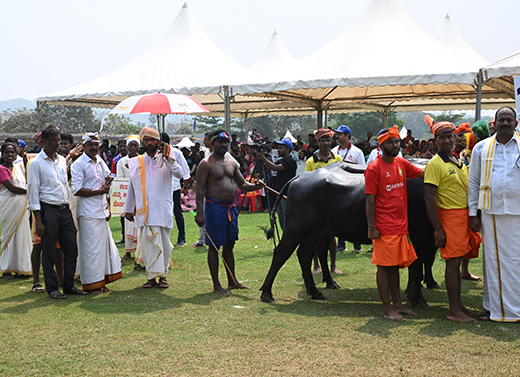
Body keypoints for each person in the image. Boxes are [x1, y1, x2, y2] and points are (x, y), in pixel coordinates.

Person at [423, 119, 481, 323]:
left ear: (456, 137)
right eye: (442, 137)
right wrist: (438, 228)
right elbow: (429, 198)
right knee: (453, 262)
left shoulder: (457, 160)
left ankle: (459, 306)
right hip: (449, 217)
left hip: (462, 217)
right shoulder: (434, 164)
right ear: (435, 141)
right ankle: (454, 310)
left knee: (456, 262)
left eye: (450, 136)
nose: (447, 140)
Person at [364, 125, 423, 321]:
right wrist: (372, 227)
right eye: (390, 142)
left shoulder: (401, 162)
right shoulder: (374, 168)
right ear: (381, 146)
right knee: (383, 267)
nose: (395, 145)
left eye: (397, 141)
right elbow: (370, 200)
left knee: (395, 266)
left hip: (400, 227)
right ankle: (387, 309)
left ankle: (398, 305)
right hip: (384, 227)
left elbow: (422, 173)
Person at [195, 130, 264, 294]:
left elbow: (243, 185)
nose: (224, 145)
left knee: (229, 245)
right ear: (212, 144)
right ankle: (216, 285)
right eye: (220, 142)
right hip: (214, 208)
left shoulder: (232, 164)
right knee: (214, 246)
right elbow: (200, 190)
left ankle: (232, 281)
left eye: (226, 142)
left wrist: (257, 186)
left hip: (230, 208)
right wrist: (200, 213)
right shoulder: (205, 163)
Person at [468, 106, 520, 322]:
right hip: (492, 212)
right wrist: (473, 213)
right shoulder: (481, 148)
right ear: (495, 123)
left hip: (518, 211)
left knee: (516, 261)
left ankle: (515, 309)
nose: (505, 124)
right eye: (502, 120)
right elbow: (473, 182)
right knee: (494, 262)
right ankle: (496, 308)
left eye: (509, 120)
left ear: (516, 124)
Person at [27, 125, 87, 299]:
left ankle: (68, 286)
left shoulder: (61, 160)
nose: (56, 144)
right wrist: (38, 219)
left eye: (58, 140)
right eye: (52, 141)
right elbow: (33, 192)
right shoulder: (36, 164)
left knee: (71, 249)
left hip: (64, 209)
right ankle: (52, 288)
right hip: (48, 210)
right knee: (49, 251)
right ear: (43, 142)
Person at [124, 127, 184, 289]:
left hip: (162, 209)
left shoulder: (168, 159)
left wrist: (168, 158)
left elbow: (181, 174)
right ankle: (151, 277)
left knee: (164, 244)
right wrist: (129, 208)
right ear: (143, 142)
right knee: (148, 245)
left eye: (153, 140)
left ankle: (163, 275)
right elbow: (132, 187)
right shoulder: (137, 162)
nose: (150, 143)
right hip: (144, 211)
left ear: (159, 142)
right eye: (146, 140)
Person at [71, 132, 123, 294]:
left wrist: (106, 205)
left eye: (96, 145)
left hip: (101, 211)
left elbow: (108, 179)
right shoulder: (78, 164)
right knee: (90, 250)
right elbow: (77, 189)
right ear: (84, 146)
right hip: (87, 213)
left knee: (102, 249)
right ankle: (91, 284)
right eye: (91, 145)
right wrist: (99, 191)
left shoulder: (100, 160)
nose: (94, 148)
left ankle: (100, 282)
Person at [305, 128, 343, 274]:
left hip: (334, 204)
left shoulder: (337, 159)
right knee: (315, 236)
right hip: (317, 205)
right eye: (323, 140)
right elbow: (308, 184)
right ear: (317, 142)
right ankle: (316, 266)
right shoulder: (311, 162)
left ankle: (333, 266)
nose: (326, 143)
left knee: (331, 236)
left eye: (328, 140)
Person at [331, 125, 365, 253]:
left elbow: (363, 170)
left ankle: (357, 245)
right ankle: (341, 244)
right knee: (339, 215)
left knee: (356, 216)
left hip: (355, 189)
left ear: (347, 136)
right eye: (337, 134)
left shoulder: (357, 152)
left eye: (340, 134)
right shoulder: (334, 151)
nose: (337, 136)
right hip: (339, 187)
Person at [0, 142, 32, 278]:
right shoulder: (2, 169)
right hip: (9, 206)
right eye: (7, 152)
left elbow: (24, 181)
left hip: (22, 208)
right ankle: (7, 269)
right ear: (2, 154)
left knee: (22, 235)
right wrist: (30, 191)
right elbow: (12, 188)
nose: (10, 155)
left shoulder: (18, 167)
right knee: (10, 236)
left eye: (12, 152)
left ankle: (21, 267)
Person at [257, 137, 297, 230]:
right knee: (282, 221)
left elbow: (275, 167)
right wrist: (264, 157)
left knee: (287, 221)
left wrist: (263, 158)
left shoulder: (291, 161)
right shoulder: (281, 160)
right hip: (278, 193)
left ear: (287, 149)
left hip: (286, 194)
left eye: (280, 148)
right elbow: (268, 167)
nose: (278, 150)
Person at [160, 133, 191, 248]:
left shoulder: (176, 152)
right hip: (161, 188)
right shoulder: (157, 154)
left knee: (177, 213)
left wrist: (186, 187)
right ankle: (163, 239)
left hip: (174, 188)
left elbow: (185, 170)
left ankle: (181, 238)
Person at [117, 135, 142, 270]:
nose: (133, 148)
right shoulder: (121, 162)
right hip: (126, 195)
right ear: (127, 147)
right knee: (128, 224)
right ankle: (128, 253)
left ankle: (139, 254)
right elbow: (120, 180)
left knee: (139, 226)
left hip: (140, 195)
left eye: (135, 145)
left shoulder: (142, 160)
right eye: (131, 145)